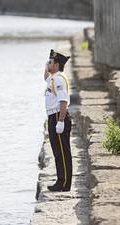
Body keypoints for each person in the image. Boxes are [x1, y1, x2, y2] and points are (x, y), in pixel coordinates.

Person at [43, 49, 72, 192]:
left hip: (58, 116)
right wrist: (46, 66)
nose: (49, 63)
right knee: (57, 151)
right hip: (53, 117)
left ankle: (65, 183)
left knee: (63, 152)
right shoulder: (54, 77)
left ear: (57, 64)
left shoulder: (59, 79)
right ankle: (61, 180)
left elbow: (63, 101)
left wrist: (60, 121)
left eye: (51, 62)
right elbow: (45, 77)